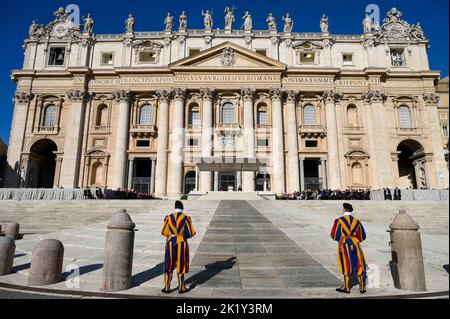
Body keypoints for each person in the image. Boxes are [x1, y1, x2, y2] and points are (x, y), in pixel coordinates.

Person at [330, 203, 367, 294]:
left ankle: (346, 287)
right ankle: (362, 288)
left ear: (344, 209)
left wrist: (341, 240)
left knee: (346, 263)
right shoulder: (357, 221)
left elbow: (334, 234)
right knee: (359, 262)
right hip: (355, 243)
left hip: (345, 243)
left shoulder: (339, 221)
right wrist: (354, 239)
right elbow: (362, 236)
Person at [161, 200, 196, 294]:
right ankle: (181, 287)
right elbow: (191, 233)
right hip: (181, 242)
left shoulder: (168, 217)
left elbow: (164, 232)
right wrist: (181, 236)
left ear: (175, 208)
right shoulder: (186, 218)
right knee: (181, 263)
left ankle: (166, 287)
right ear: (182, 208)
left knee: (169, 263)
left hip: (170, 242)